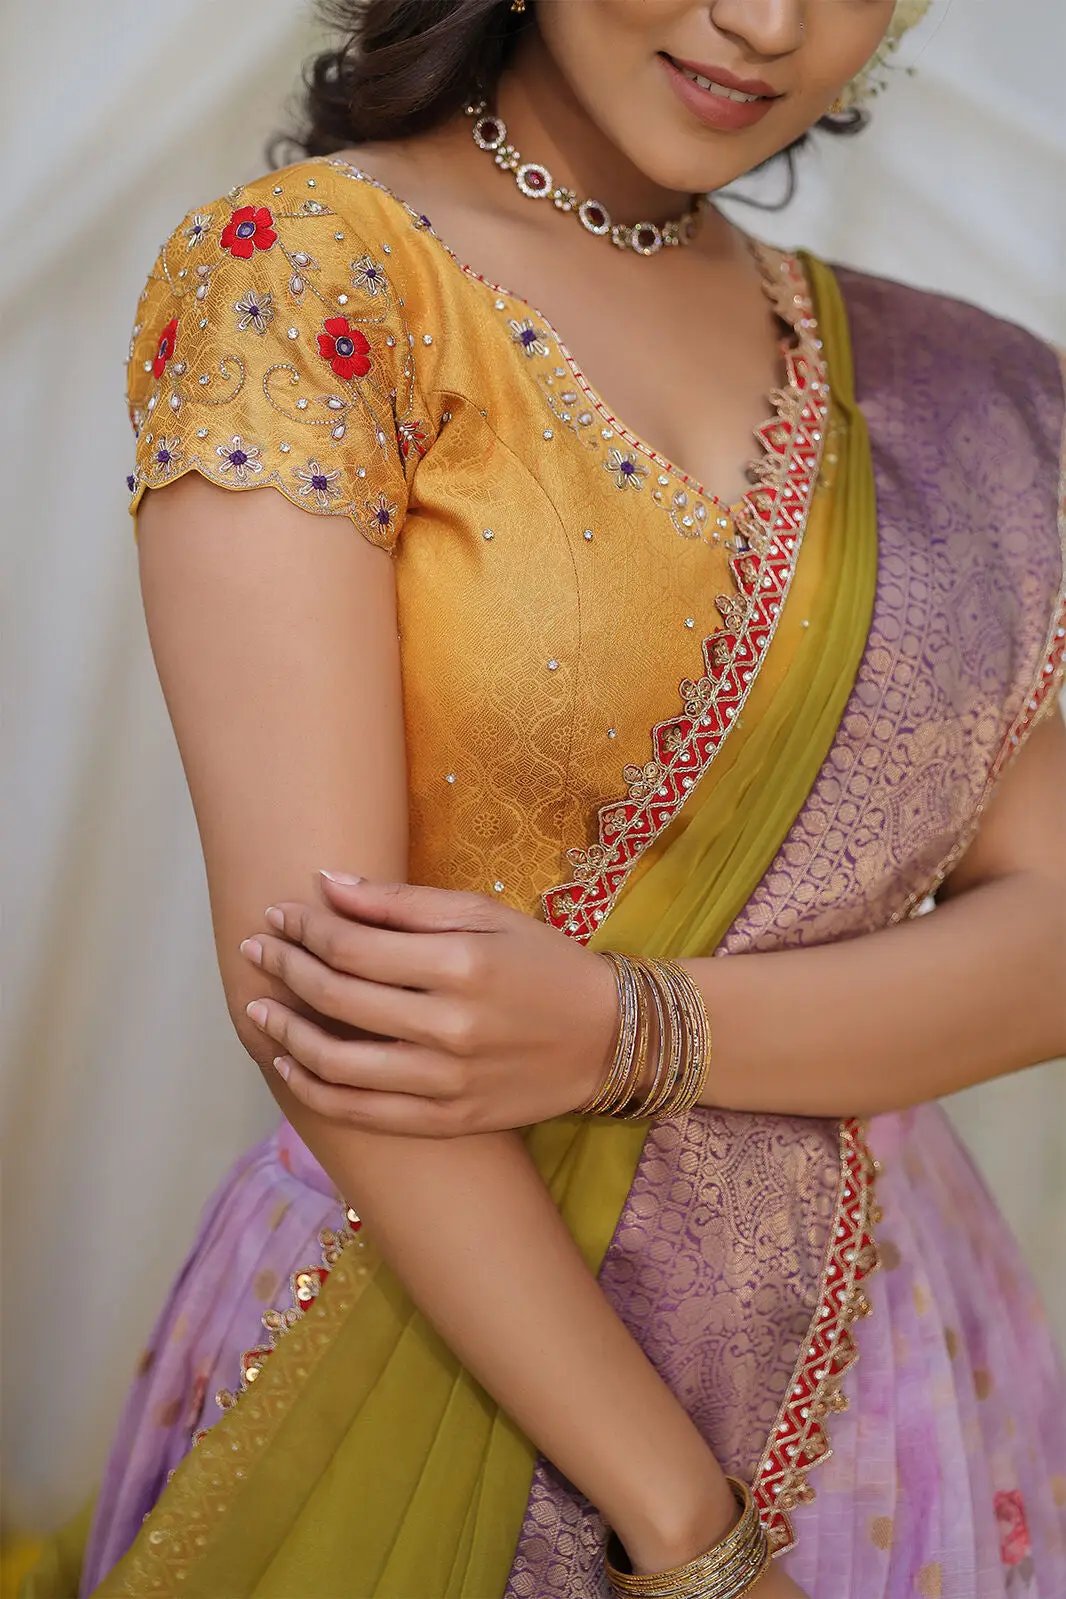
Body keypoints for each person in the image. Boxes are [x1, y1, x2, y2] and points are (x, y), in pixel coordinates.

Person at [24, 1, 1066, 1596]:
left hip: (884, 1349)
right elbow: (323, 1002)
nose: (763, 22)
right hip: (439, 1316)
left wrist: (622, 1027)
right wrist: (690, 1530)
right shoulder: (317, 277)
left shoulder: (980, 401)